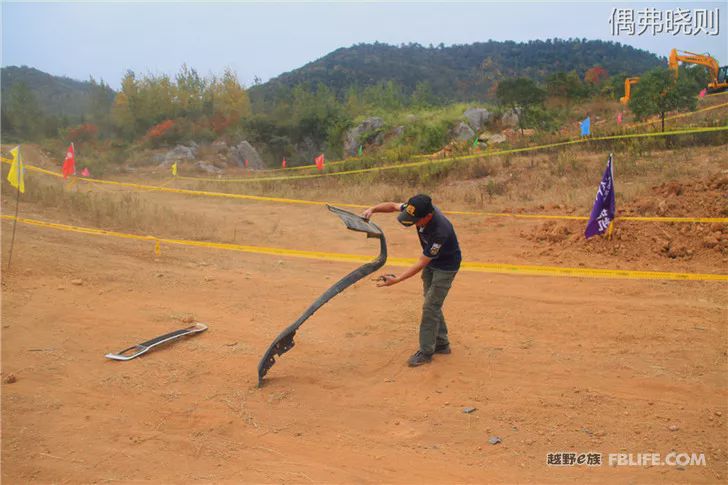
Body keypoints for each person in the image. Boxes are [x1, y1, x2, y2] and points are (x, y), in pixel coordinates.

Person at [362, 194, 461, 367]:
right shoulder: (417, 209)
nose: (413, 223)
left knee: (430, 306)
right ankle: (442, 343)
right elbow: (393, 205)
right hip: (433, 262)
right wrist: (373, 209)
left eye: (416, 221)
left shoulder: (440, 231)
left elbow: (422, 262)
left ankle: (426, 351)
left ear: (428, 217)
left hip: (445, 267)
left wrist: (398, 279)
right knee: (431, 302)